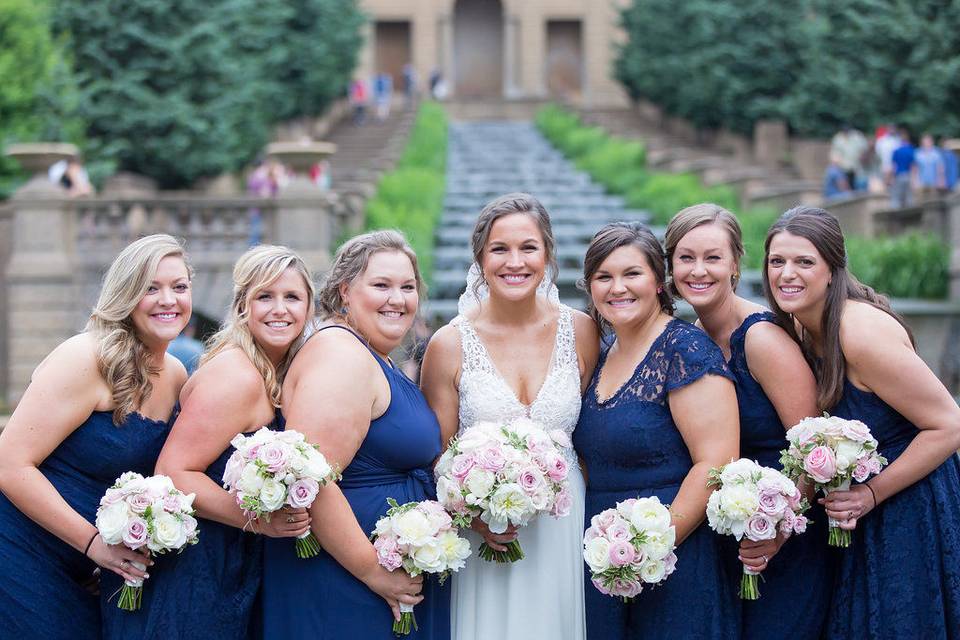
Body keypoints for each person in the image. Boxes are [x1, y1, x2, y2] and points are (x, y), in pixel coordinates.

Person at [762, 206, 960, 638]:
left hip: (910, 503)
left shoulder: (860, 333)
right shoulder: (799, 327)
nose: (786, 274)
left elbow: (948, 425)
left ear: (833, 270)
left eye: (804, 262)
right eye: (777, 261)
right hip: (859, 513)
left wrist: (870, 493)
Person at [420, 193, 600, 640]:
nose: (514, 262)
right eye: (499, 249)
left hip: (564, 522)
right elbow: (435, 455)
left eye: (528, 248)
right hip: (485, 533)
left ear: (548, 255)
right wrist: (473, 514)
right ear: (480, 258)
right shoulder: (448, 344)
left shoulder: (581, 330)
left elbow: (597, 436)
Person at [111, 246, 314, 639]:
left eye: (292, 297)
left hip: (236, 559)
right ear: (242, 307)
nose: (279, 309)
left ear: (309, 308)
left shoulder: (273, 370)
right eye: (264, 297)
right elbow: (173, 471)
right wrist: (262, 520)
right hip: (201, 568)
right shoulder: (235, 376)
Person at [0, 234, 191, 640]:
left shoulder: (176, 374)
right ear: (126, 294)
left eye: (179, 287)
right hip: (18, 547)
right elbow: (9, 465)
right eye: (150, 288)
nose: (168, 300)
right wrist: (92, 544)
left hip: (88, 567)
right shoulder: (86, 357)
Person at [261, 230, 449, 639]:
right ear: (345, 291)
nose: (397, 299)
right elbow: (311, 479)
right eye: (381, 285)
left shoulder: (371, 353)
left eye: (407, 287)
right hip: (348, 581)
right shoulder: (341, 355)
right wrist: (372, 570)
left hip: (376, 574)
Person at [664, 204, 830, 639]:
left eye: (713, 258)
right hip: (728, 537)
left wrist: (777, 529)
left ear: (736, 263)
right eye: (686, 258)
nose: (698, 270)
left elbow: (813, 450)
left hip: (786, 538)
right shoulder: (689, 337)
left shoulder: (762, 338)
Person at [574, 222, 740, 639]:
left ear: (659, 282)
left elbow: (717, 461)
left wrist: (652, 546)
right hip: (602, 558)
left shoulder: (684, 350)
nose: (618, 288)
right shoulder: (604, 352)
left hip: (674, 558)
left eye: (632, 274)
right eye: (603, 277)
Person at [830, 125, 869, 191]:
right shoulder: (838, 138)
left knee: (859, 186)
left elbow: (864, 150)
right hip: (843, 169)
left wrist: (862, 157)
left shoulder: (857, 137)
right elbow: (835, 153)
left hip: (857, 168)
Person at [888, 128, 917, 208]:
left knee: (896, 197)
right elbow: (913, 166)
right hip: (908, 176)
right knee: (909, 197)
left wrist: (891, 178)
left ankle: (894, 216)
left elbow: (894, 166)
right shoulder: (911, 150)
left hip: (899, 176)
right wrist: (914, 179)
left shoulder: (896, 151)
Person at [915, 133, 945, 198]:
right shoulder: (918, 153)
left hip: (934, 181)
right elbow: (915, 168)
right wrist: (915, 181)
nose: (926, 143)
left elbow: (940, 168)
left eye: (928, 141)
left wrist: (941, 180)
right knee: (921, 199)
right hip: (921, 181)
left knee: (934, 199)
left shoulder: (936, 153)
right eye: (924, 141)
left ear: (932, 142)